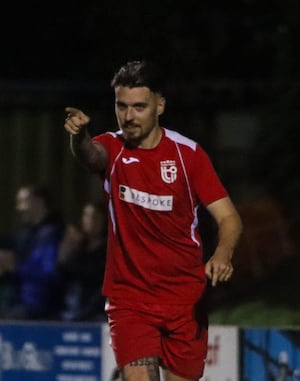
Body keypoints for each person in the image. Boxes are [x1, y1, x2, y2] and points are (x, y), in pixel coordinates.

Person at [64, 60, 242, 381]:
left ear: (160, 105)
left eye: (139, 107)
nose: (129, 116)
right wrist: (79, 136)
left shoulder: (188, 155)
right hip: (129, 298)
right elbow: (91, 155)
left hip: (185, 300)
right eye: (122, 106)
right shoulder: (112, 148)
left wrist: (222, 254)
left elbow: (228, 216)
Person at [0, 184, 64, 319]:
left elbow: (48, 272)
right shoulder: (27, 234)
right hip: (19, 300)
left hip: (40, 305)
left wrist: (15, 267)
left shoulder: (52, 234)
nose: (19, 208)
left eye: (23, 202)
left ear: (38, 201)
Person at [57, 201, 107, 321]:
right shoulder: (80, 246)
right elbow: (61, 272)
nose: (90, 221)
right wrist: (67, 249)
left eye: (95, 217)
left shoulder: (109, 248)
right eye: (86, 216)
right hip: (73, 303)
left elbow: (95, 275)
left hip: (96, 308)